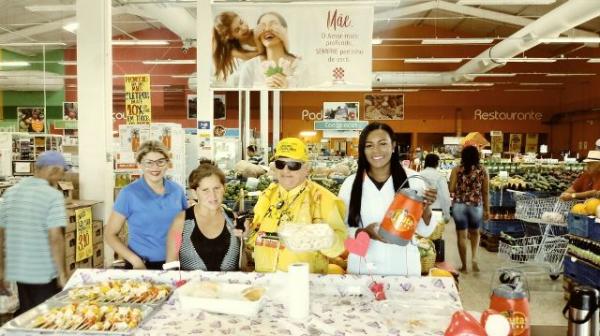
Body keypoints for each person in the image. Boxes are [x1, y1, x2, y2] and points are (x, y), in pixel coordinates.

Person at [338, 122, 437, 276]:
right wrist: (362, 233)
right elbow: (340, 229)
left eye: (382, 143)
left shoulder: (414, 180)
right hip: (362, 270)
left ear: (393, 146)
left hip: (403, 269)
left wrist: (426, 207)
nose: (376, 150)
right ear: (363, 150)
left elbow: (425, 231)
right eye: (369, 145)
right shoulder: (350, 184)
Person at [244, 137, 347, 273]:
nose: (286, 171)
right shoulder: (267, 195)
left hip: (305, 284)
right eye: (280, 164)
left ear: (306, 168)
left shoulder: (324, 199)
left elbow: (340, 247)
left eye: (293, 165)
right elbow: (254, 235)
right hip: (266, 281)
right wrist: (247, 232)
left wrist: (326, 238)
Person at [0, 151, 69, 315]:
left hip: (20, 272)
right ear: (53, 170)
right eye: (61, 172)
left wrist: (1, 269)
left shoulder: (10, 193)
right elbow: (55, 238)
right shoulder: (53, 196)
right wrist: (62, 274)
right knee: (49, 319)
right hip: (45, 272)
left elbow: (1, 234)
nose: (61, 177)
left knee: (28, 316)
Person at [105, 141, 187, 270]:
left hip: (176, 263)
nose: (155, 167)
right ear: (140, 165)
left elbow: (186, 226)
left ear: (167, 163)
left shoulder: (177, 191)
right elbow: (110, 234)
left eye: (160, 161)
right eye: (149, 162)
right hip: (142, 265)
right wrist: (135, 261)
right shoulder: (129, 193)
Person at [166, 161, 240, 271]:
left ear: (224, 188)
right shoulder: (181, 221)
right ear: (195, 193)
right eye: (205, 190)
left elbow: (241, 264)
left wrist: (243, 239)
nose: (213, 195)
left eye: (217, 188)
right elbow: (171, 263)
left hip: (227, 287)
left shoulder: (233, 219)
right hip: (191, 287)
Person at [449, 145, 490, 273]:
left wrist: (461, 189)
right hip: (476, 205)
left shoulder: (457, 169)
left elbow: (451, 189)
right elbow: (485, 192)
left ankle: (464, 266)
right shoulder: (483, 170)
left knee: (461, 235)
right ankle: (474, 258)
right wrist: (487, 210)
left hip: (459, 205)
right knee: (475, 233)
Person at [239, 12, 306, 89]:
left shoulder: (301, 67)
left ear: (285, 30)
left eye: (273, 24)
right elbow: (241, 98)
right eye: (262, 26)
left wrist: (288, 89)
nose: (267, 29)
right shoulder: (250, 67)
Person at [213, 11, 259, 82]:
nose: (243, 28)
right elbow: (258, 56)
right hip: (250, 75)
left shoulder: (256, 33)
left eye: (241, 22)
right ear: (231, 37)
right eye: (237, 30)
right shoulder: (234, 51)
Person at [420, 153, 452, 223]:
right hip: (436, 212)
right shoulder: (440, 177)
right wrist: (447, 214)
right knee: (435, 233)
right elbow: (445, 197)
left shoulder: (418, 175)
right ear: (437, 163)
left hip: (420, 212)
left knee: (421, 233)